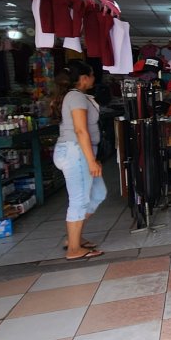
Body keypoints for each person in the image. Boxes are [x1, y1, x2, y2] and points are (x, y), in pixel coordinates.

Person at [51, 60, 106, 260]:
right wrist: (91, 160)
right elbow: (80, 130)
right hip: (76, 152)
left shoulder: (77, 96)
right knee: (79, 199)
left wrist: (92, 158)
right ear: (84, 78)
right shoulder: (75, 97)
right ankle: (74, 249)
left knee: (98, 193)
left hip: (80, 151)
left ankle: (74, 238)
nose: (93, 78)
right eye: (91, 75)